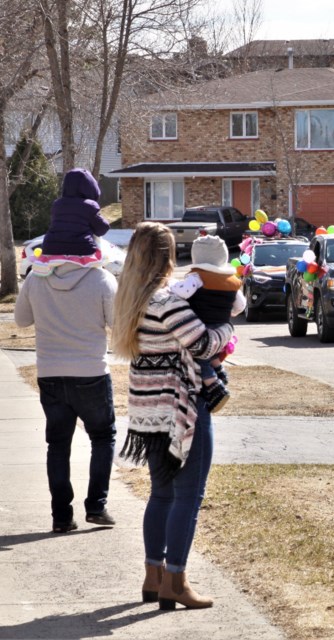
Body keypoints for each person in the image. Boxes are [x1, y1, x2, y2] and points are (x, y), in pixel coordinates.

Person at [112, 222, 234, 610]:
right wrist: (229, 326)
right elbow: (202, 343)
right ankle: (177, 582)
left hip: (147, 412)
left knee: (162, 494)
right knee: (189, 496)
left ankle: (153, 577)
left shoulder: (130, 300)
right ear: (169, 257)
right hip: (181, 410)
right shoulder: (166, 303)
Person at [14, 170, 118, 534]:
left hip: (50, 371)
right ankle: (97, 506)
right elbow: (117, 325)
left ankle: (62, 516)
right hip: (90, 369)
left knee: (57, 446)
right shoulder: (102, 279)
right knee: (102, 437)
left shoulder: (35, 279)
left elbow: (22, 321)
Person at [170, 235, 246, 413]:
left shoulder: (198, 277)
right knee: (210, 352)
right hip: (222, 326)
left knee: (198, 353)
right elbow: (240, 306)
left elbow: (184, 292)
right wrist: (228, 312)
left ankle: (214, 384)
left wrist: (171, 285)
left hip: (202, 324)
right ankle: (219, 369)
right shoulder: (232, 281)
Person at [35, 167, 111, 269]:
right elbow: (102, 229)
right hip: (81, 249)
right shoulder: (89, 206)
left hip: (51, 248)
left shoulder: (57, 204)